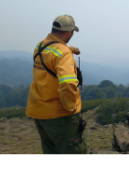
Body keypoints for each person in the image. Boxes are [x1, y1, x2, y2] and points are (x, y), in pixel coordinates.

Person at [26, 15, 87, 154]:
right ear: (69, 32)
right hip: (60, 116)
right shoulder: (63, 53)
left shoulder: (40, 46)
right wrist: (70, 107)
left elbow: (53, 52)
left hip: (39, 112)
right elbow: (68, 83)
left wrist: (71, 49)